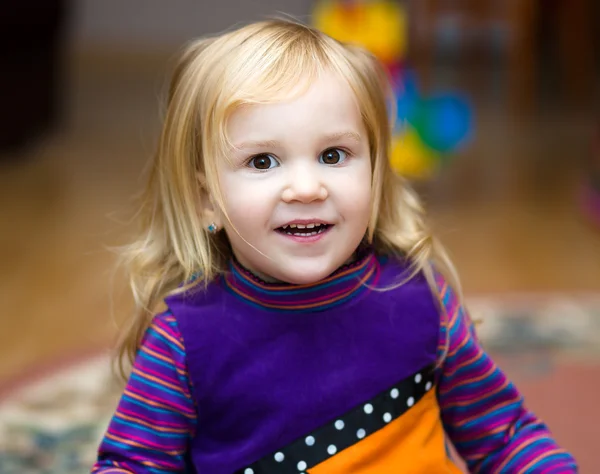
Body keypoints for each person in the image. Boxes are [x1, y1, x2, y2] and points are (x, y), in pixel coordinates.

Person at [91, 19, 577, 474]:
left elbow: (504, 435)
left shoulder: (419, 297)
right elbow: (132, 466)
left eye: (332, 155)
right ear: (206, 202)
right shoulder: (185, 341)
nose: (306, 188)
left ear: (374, 174)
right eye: (262, 161)